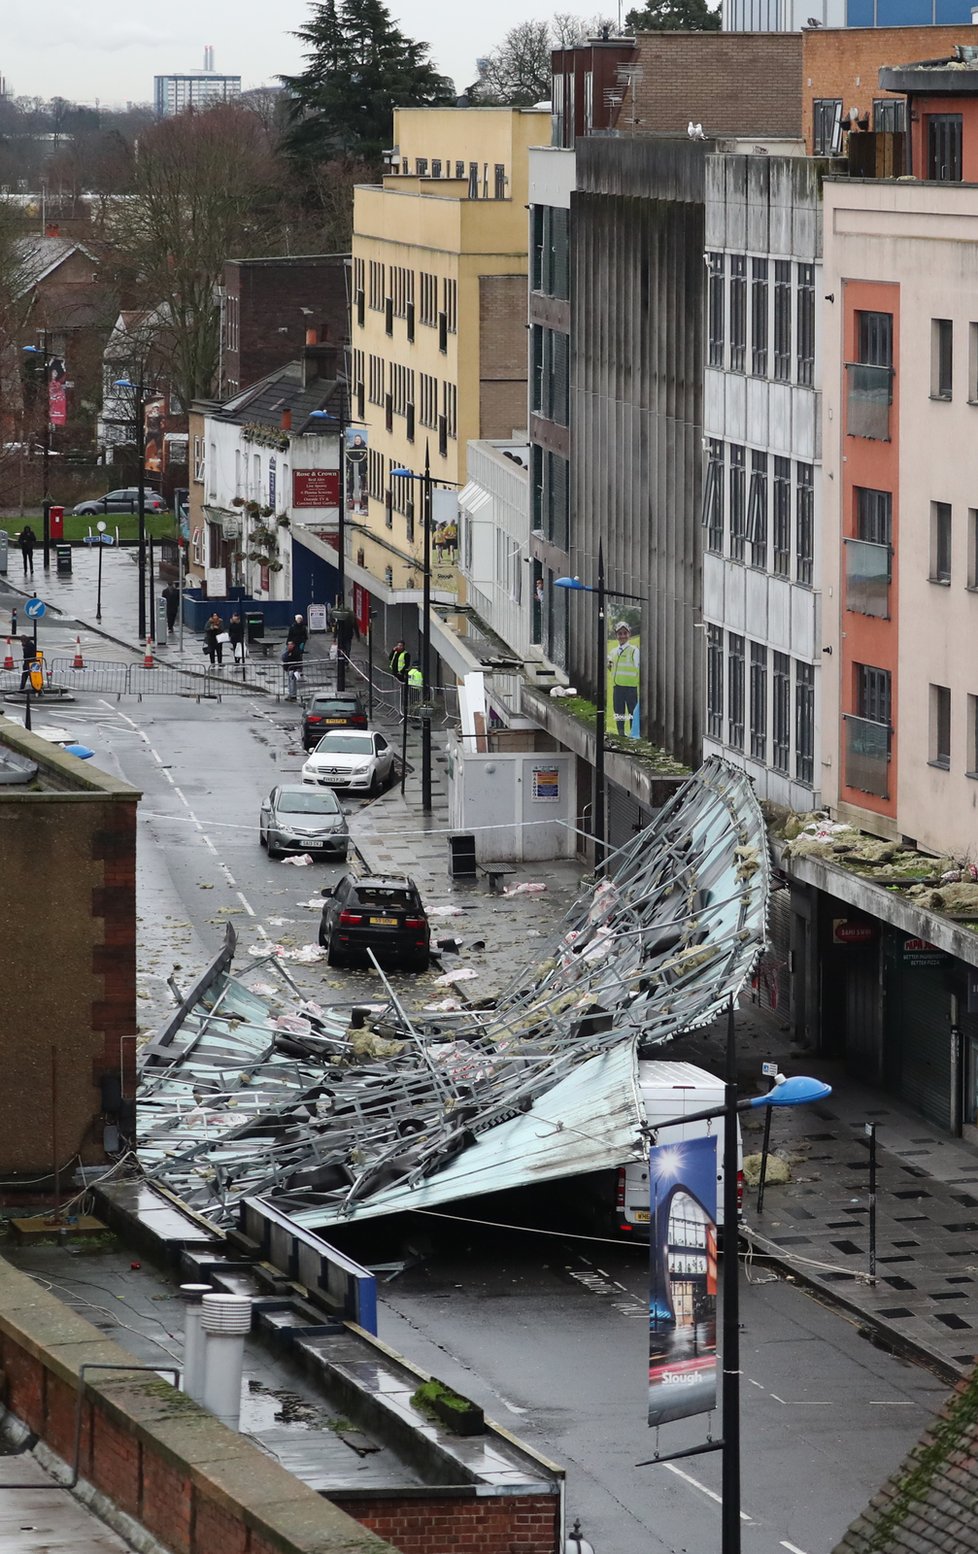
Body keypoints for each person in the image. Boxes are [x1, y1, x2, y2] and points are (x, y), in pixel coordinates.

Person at [608, 620, 640, 737]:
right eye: (620, 634)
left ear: (629, 634)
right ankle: (621, 733)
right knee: (619, 712)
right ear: (616, 635)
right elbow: (611, 666)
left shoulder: (634, 651)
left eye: (625, 633)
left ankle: (633, 734)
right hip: (618, 687)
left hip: (630, 687)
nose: (622, 636)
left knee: (632, 712)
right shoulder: (613, 652)